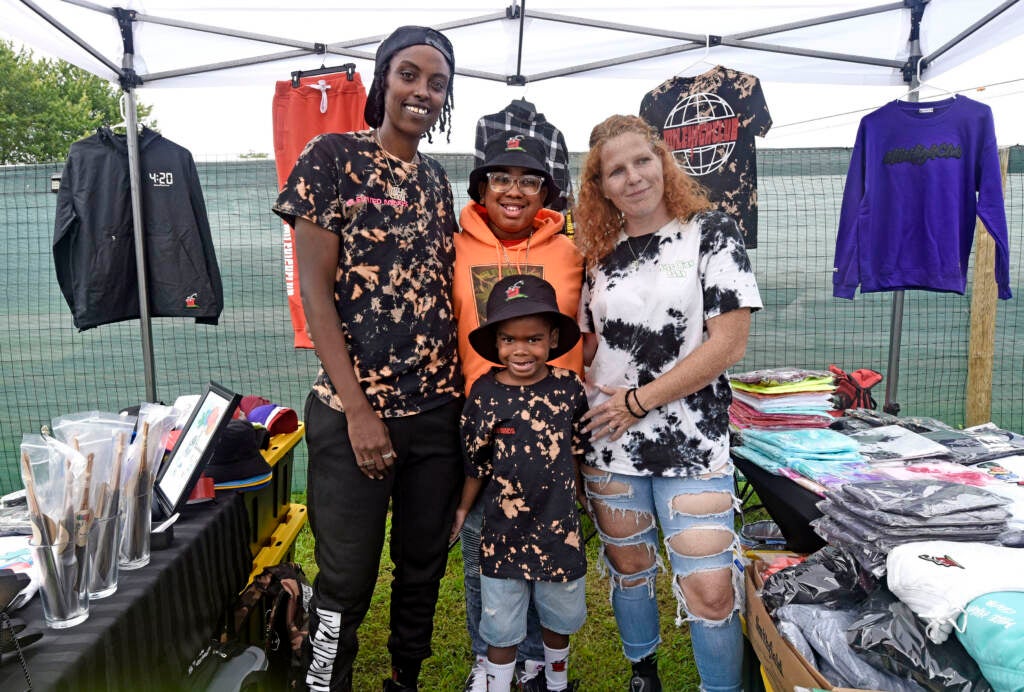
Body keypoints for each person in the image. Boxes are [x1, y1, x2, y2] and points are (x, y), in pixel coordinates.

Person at [271, 26, 461, 692]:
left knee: (422, 565)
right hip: (354, 415)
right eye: (410, 75)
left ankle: (404, 678)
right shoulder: (332, 159)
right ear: (383, 79)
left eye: (437, 83)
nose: (423, 92)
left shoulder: (438, 182)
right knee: (346, 576)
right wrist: (358, 411)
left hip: (437, 414)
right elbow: (315, 295)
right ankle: (323, 683)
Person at [572, 114, 763, 692]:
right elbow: (586, 345)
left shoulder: (712, 232)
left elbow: (727, 342)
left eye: (642, 161)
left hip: (692, 441)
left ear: (663, 161)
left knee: (710, 588)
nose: (633, 178)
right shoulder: (597, 254)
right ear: (600, 186)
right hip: (609, 439)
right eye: (616, 171)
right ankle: (643, 673)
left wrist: (640, 400)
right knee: (630, 570)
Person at [453, 132, 585, 691]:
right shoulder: (452, 247)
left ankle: (537, 661)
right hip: (487, 421)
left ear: (545, 192)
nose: (514, 190)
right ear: (482, 188)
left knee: (549, 551)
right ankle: (490, 660)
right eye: (501, 178)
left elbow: (599, 330)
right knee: (487, 547)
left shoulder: (571, 254)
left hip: (555, 428)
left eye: (528, 180)